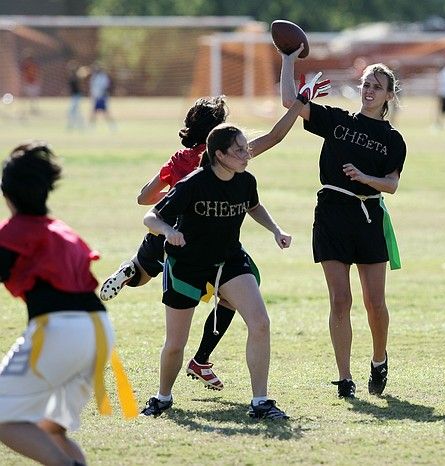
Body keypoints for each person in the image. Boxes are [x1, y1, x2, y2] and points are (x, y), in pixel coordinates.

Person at [139, 77, 328, 420]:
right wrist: (169, 232)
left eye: (246, 147)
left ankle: (260, 401)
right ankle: (163, 396)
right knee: (175, 344)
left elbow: (253, 205)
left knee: (260, 322)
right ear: (219, 155)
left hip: (228, 261)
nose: (247, 153)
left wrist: (276, 229)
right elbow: (151, 216)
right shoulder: (192, 184)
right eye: (240, 150)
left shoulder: (245, 179)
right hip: (187, 265)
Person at [280, 46, 406, 398]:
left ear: (388, 96)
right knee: (340, 300)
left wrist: (366, 177)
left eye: (377, 87)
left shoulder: (393, 140)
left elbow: (392, 185)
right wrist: (289, 57)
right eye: (366, 83)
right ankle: (345, 377)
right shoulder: (337, 121)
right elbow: (290, 101)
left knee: (375, 303)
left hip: (368, 217)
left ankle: (379, 360)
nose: (369, 90)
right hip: (331, 214)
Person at [0, 142, 127, 465]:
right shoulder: (62, 231)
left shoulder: (13, 232)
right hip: (99, 330)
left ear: (7, 193)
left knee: (3, 418)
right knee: (50, 429)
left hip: (59, 331)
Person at [100, 96, 237, 391]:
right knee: (231, 297)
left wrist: (174, 199)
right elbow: (271, 139)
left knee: (140, 273)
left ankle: (128, 269)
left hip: (160, 231)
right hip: (192, 244)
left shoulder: (178, 160)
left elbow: (143, 198)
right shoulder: (222, 157)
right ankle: (201, 359)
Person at [89, 63, 116, 130]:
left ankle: (112, 126)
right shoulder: (94, 77)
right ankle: (92, 126)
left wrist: (103, 97)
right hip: (96, 98)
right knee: (94, 112)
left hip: (101, 98)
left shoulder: (103, 77)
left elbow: (105, 87)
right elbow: (92, 88)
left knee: (105, 112)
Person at [19, 51, 40, 115]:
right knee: (25, 96)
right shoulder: (25, 66)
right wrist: (23, 82)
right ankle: (24, 109)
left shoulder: (35, 65)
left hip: (33, 83)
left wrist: (38, 81)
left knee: (34, 97)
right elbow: (23, 74)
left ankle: (33, 108)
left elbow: (37, 73)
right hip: (27, 83)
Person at [66, 61, 85, 130]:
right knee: (75, 111)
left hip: (76, 96)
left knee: (72, 111)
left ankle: (76, 125)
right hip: (74, 96)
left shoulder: (75, 77)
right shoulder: (73, 77)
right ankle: (77, 125)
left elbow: (78, 87)